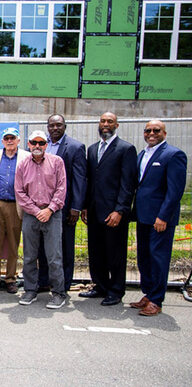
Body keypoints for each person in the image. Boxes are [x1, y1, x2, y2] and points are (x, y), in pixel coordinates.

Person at [130, 120, 187, 316]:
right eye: (148, 130)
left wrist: (163, 216)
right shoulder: (143, 154)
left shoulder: (174, 155)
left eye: (156, 130)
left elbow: (175, 191)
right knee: (144, 257)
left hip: (160, 219)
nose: (151, 133)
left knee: (158, 258)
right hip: (143, 217)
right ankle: (148, 293)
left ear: (164, 132)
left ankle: (156, 300)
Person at [80, 112, 137, 306]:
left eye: (109, 121)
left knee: (115, 253)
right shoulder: (93, 149)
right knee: (96, 251)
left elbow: (128, 184)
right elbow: (90, 180)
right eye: (103, 121)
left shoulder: (126, 149)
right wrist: (86, 206)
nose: (105, 124)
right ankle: (101, 286)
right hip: (95, 210)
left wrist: (120, 210)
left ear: (116, 125)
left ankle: (116, 290)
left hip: (114, 212)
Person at [15, 130, 67, 309]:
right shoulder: (22, 164)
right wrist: (36, 211)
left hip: (52, 214)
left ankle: (59, 293)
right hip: (31, 215)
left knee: (54, 256)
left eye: (41, 143)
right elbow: (20, 192)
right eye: (33, 142)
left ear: (46, 145)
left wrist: (50, 209)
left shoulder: (57, 162)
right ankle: (30, 290)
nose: (37, 146)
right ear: (28, 144)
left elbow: (61, 188)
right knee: (29, 255)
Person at [37, 115, 86, 293]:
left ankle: (63, 285)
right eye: (52, 125)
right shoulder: (41, 145)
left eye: (59, 125)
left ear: (65, 126)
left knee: (64, 247)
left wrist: (76, 207)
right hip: (41, 207)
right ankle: (43, 281)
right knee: (42, 246)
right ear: (47, 127)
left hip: (64, 207)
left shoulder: (75, 147)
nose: (55, 128)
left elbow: (80, 179)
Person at [0, 127, 30, 294]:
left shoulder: (26, 156)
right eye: (7, 138)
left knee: (13, 244)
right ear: (2, 141)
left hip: (15, 204)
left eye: (13, 138)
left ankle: (11, 278)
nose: (10, 141)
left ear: (18, 140)